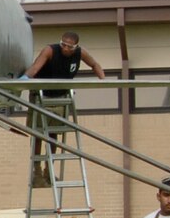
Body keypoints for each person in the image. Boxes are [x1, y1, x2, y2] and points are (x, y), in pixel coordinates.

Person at [20, 32, 106, 184]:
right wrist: (24, 79)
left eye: (69, 47)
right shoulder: (50, 50)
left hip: (59, 96)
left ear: (76, 47)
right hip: (41, 95)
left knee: (54, 134)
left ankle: (49, 170)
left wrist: (103, 79)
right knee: (38, 133)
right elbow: (35, 68)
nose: (65, 49)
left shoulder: (80, 53)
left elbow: (94, 64)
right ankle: (37, 171)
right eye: (63, 45)